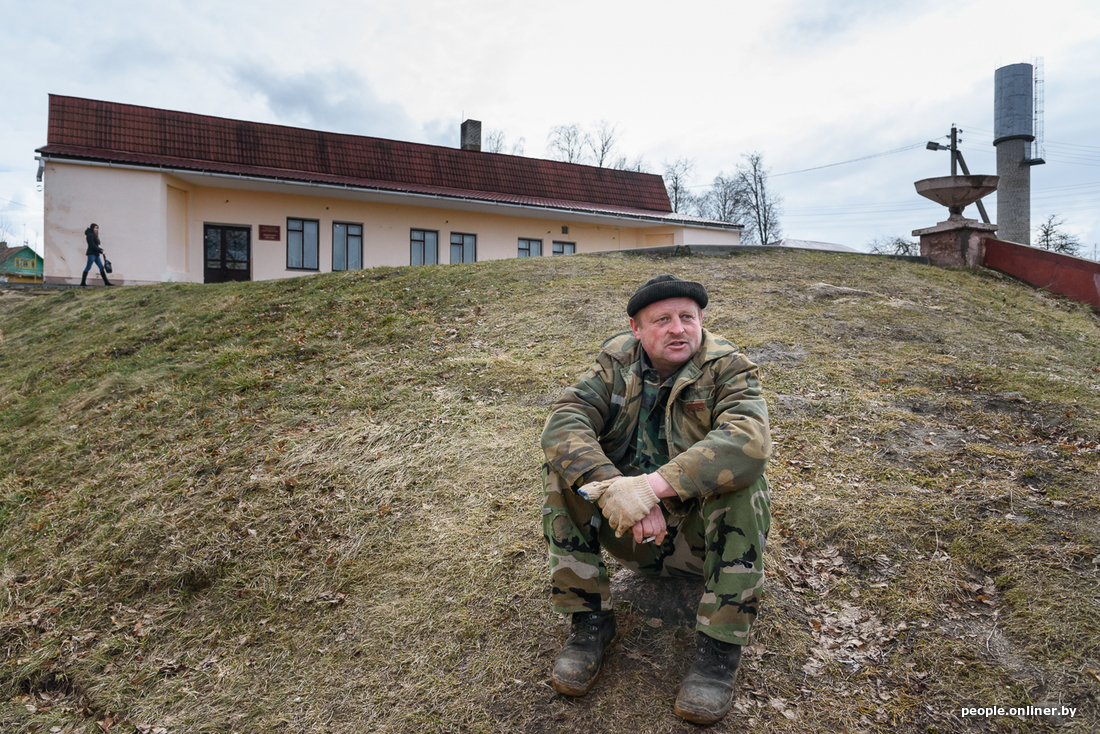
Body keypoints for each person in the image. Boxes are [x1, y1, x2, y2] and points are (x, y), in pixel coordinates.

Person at [541, 273, 771, 724]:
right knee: (563, 471)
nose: (678, 329)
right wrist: (613, 488)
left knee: (744, 481)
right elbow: (564, 421)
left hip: (697, 539)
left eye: (688, 317)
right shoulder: (615, 361)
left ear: (701, 321)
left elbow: (749, 441)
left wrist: (649, 489)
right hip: (629, 531)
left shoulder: (729, 367)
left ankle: (719, 650)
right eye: (662, 320)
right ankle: (590, 622)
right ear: (636, 329)